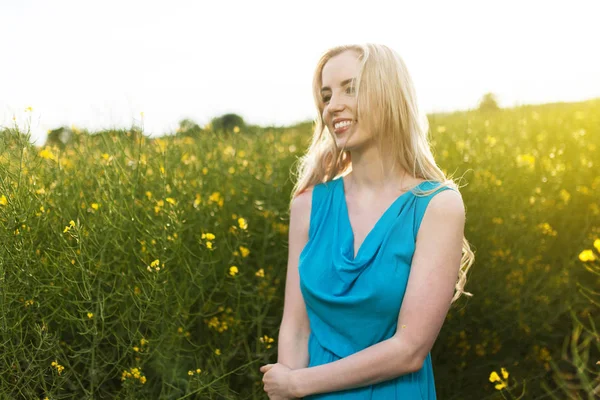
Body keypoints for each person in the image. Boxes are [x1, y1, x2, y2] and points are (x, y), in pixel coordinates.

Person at [259, 43, 475, 399]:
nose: (332, 106)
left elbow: (409, 350)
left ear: (389, 94)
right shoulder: (308, 204)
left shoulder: (438, 206)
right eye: (326, 96)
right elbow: (296, 330)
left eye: (351, 88)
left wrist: (297, 384)